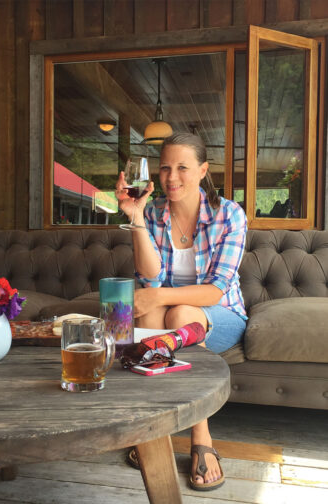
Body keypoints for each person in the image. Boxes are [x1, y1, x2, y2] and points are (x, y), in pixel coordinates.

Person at [116, 132, 247, 491]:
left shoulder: (229, 215)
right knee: (151, 313)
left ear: (203, 170)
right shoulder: (155, 212)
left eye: (183, 168)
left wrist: (157, 297)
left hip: (219, 316)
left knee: (173, 312)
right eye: (165, 168)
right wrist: (137, 217)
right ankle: (150, 429)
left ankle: (200, 436)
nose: (172, 178)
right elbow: (150, 276)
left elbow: (215, 289)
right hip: (169, 316)